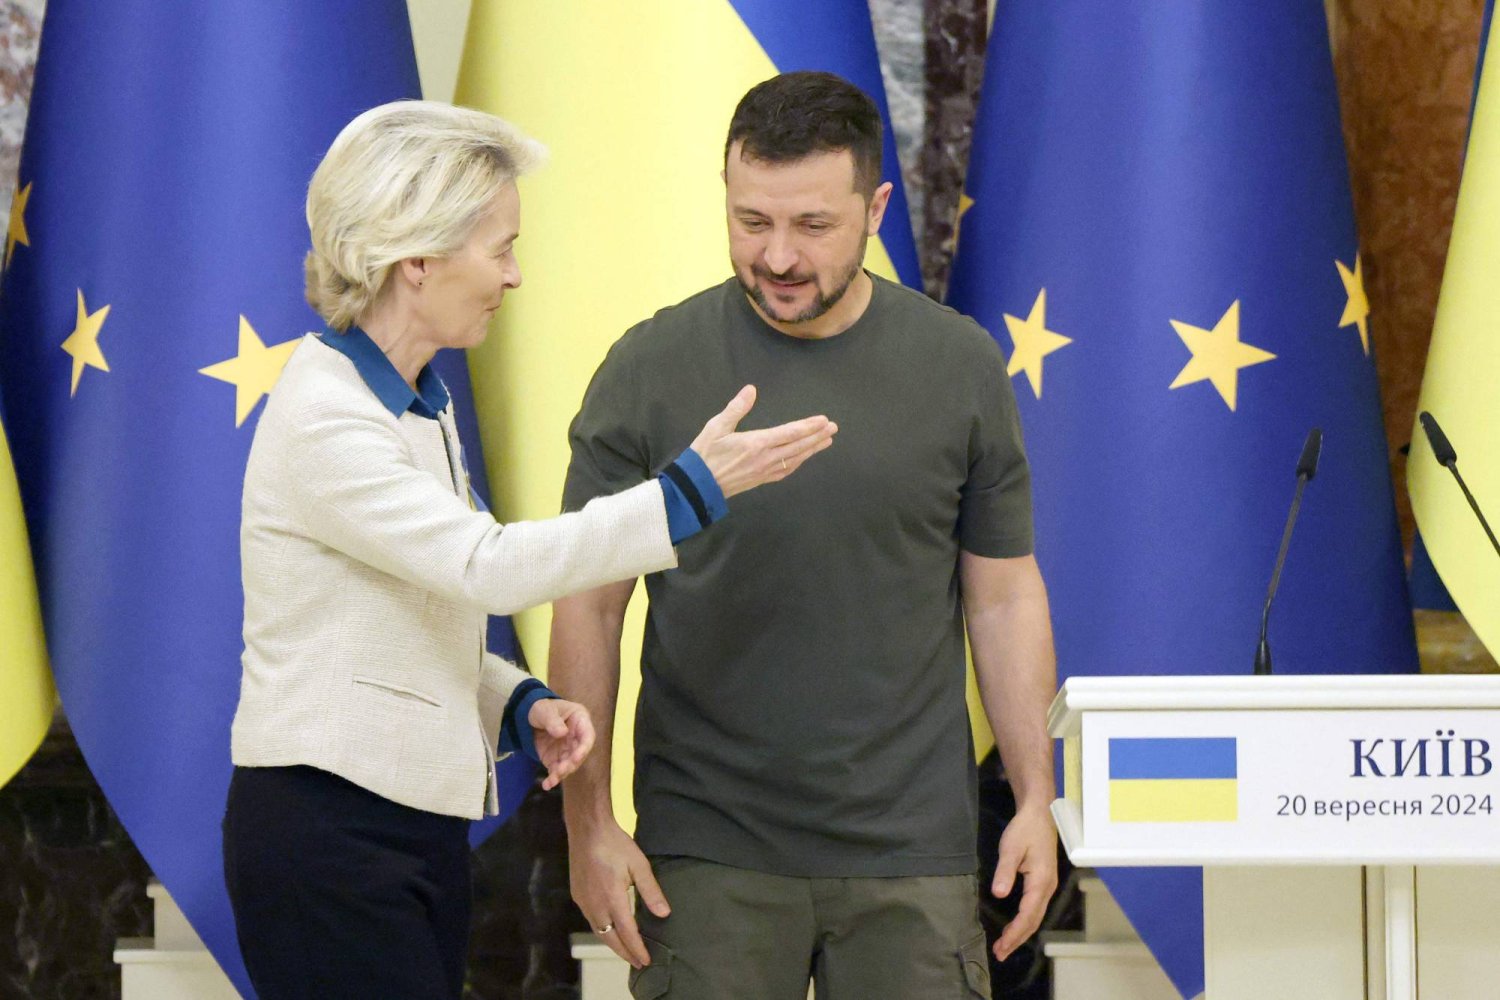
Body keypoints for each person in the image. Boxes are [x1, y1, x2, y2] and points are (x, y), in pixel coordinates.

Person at [220, 100, 837, 1000]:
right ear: (417, 257)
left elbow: (396, 616)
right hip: (329, 830)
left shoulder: (413, 403)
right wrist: (687, 492)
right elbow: (487, 565)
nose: (513, 275)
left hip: (400, 825)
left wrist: (513, 703)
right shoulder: (329, 414)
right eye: (500, 247)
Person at [552, 72, 1059, 999]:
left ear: (876, 209)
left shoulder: (959, 366)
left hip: (912, 848)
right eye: (752, 221)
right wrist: (586, 825)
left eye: (814, 226)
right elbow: (588, 606)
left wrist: (1036, 797)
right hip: (705, 852)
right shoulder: (648, 369)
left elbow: (1003, 594)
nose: (778, 256)